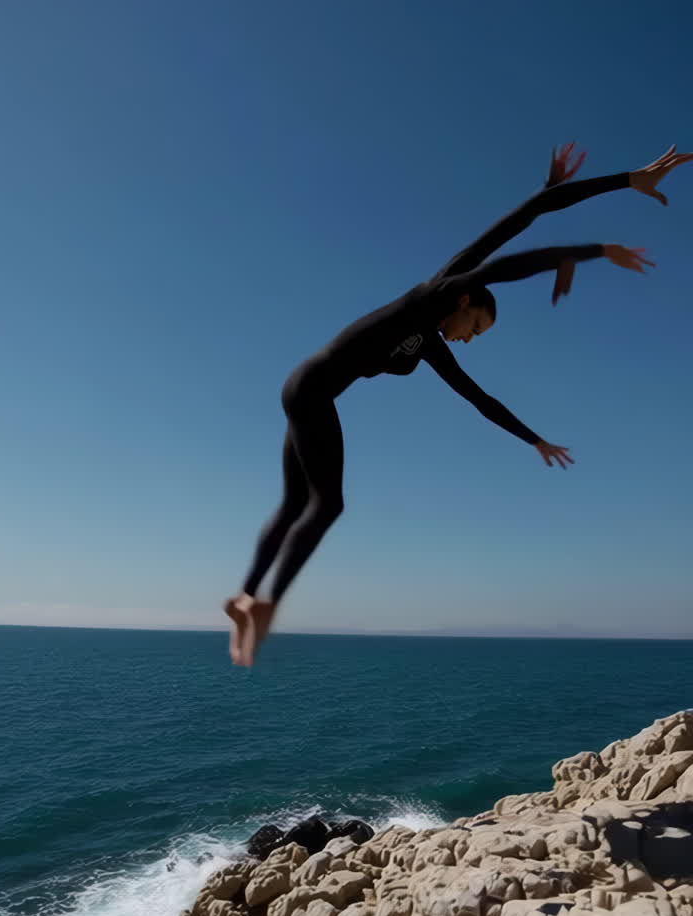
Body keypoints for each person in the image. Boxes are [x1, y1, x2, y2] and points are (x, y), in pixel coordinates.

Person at [225, 144, 692, 667]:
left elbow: (479, 398)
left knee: (295, 506)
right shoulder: (435, 293)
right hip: (309, 388)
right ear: (468, 303)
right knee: (328, 504)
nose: (469, 339)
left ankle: (244, 598)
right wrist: (609, 219)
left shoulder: (429, 342)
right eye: (476, 328)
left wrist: (533, 439)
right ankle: (267, 605)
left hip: (308, 392)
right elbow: (513, 242)